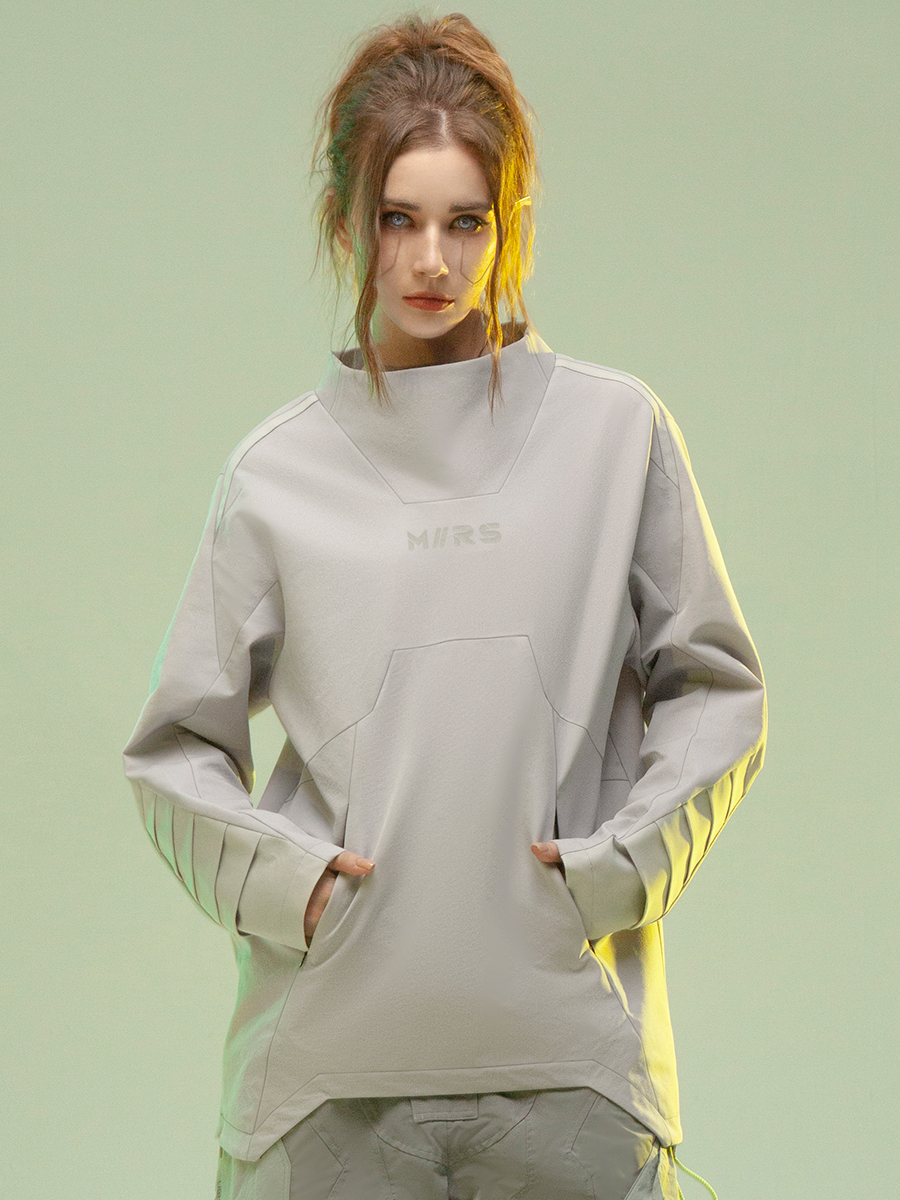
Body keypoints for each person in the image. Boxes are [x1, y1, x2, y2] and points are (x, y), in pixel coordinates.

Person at [122, 10, 766, 1199]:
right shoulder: (275, 471)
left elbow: (718, 695)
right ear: (346, 223)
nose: (431, 260)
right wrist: (296, 891)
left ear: (509, 222)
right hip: (326, 1079)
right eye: (398, 219)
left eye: (466, 220)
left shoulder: (617, 434)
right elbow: (172, 754)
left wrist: (615, 870)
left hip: (574, 1068)